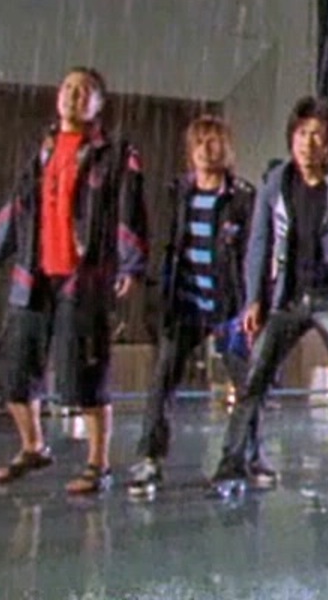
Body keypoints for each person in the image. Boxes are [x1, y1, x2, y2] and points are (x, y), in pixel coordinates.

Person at [208, 96, 328, 501]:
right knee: (253, 381)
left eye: (318, 135)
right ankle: (231, 468)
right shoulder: (275, 183)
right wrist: (253, 299)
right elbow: (259, 245)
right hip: (286, 297)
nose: (308, 143)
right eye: (302, 133)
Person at [0, 67, 148, 494]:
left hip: (83, 278)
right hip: (34, 276)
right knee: (15, 366)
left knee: (85, 371)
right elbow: (17, 206)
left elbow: (130, 212)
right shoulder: (44, 151)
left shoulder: (115, 153)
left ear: (98, 105)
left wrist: (130, 266)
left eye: (84, 91)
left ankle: (98, 464)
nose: (73, 95)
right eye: (68, 88)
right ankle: (33, 446)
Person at [127, 116, 270, 498]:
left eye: (215, 141)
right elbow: (162, 245)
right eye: (200, 142)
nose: (207, 149)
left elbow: (256, 253)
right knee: (163, 381)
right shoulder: (176, 194)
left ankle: (249, 455)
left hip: (229, 307)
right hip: (184, 305)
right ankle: (150, 458)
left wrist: (253, 303)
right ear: (190, 151)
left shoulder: (243, 198)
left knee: (248, 384)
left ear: (228, 149)